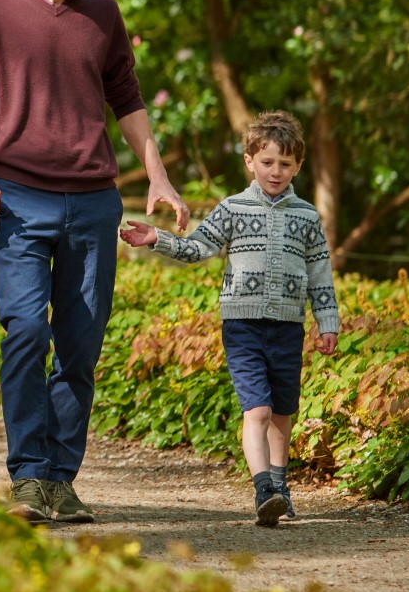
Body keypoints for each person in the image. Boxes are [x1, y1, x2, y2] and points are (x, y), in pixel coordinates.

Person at [0, 0, 189, 524]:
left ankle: (60, 478)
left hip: (91, 202)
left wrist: (158, 176)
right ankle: (27, 476)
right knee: (26, 330)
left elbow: (128, 98)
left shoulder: (103, 15)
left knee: (81, 346)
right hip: (20, 198)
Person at [120, 110, 339, 527]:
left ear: (298, 166)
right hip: (243, 326)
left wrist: (327, 322)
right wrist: (157, 238)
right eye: (267, 162)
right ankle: (263, 492)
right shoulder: (233, 208)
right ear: (249, 161)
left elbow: (320, 273)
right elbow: (198, 248)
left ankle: (280, 486)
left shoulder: (307, 216)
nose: (276, 171)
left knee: (281, 413)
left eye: (286, 164)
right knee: (256, 411)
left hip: (289, 327)